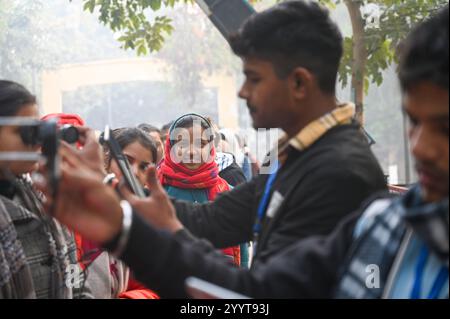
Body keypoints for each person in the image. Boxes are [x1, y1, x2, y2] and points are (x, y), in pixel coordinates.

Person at [39, 4, 449, 299]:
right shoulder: (384, 220)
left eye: (253, 77)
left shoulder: (339, 171)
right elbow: (215, 228)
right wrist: (121, 211)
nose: (421, 148)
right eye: (413, 121)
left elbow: (255, 302)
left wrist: (131, 230)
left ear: (300, 83)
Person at [0, 80, 92, 299]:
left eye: (37, 130)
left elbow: (75, 279)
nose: (36, 142)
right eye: (24, 131)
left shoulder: (46, 199)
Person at [158, 114, 241, 266]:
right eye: (182, 144)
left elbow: (242, 252)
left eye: (201, 144)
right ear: (170, 146)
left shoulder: (228, 192)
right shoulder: (157, 191)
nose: (191, 152)